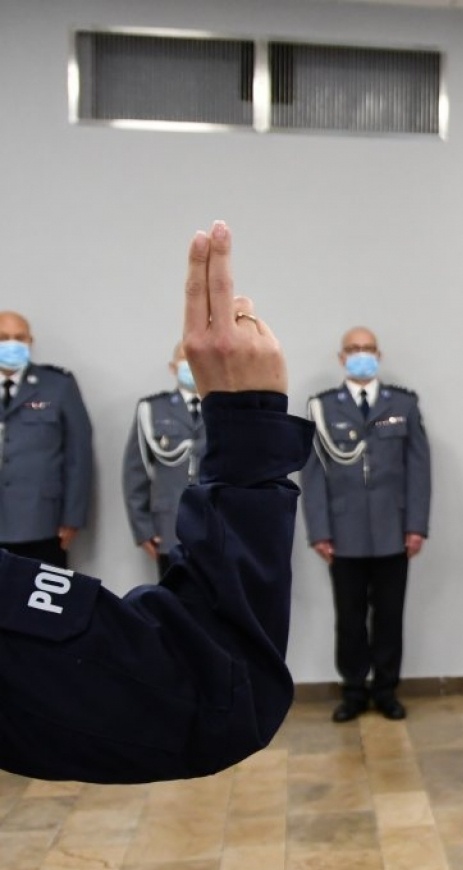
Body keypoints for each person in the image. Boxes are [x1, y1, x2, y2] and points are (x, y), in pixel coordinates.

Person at [0, 220, 315, 784]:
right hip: (181, 536)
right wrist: (249, 423)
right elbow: (210, 692)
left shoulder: (55, 387)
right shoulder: (153, 410)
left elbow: (74, 460)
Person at [302, 327, 431, 724]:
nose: (361, 355)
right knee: (350, 618)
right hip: (344, 532)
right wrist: (319, 530)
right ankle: (354, 690)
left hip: (394, 530)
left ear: (379, 355)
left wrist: (416, 526)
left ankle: (386, 690)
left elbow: (419, 469)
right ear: (341, 358)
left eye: (368, 349)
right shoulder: (323, 408)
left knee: (390, 616)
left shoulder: (403, 404)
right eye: (354, 349)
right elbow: (313, 473)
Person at [0, 310, 94, 567]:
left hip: (41, 521)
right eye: (3, 337)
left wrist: (72, 517)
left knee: (41, 591)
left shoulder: (58, 385)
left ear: (30, 341)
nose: (11, 344)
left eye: (19, 337)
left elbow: (78, 454)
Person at [123, 343, 207, 577]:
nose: (192, 363)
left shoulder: (225, 409)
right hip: (169, 527)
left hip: (217, 528)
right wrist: (143, 528)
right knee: (173, 595)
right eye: (185, 358)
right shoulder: (152, 409)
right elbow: (136, 472)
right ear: (173, 367)